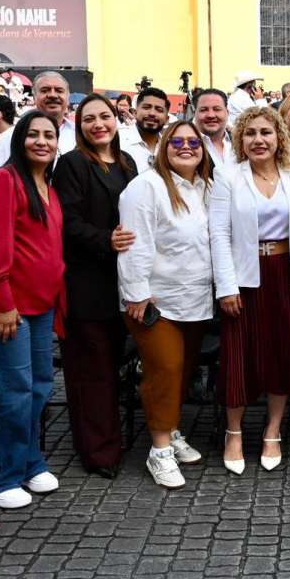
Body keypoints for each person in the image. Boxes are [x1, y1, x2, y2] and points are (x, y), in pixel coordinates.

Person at [211, 107, 290, 474]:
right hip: (244, 277)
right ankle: (234, 431)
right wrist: (226, 286)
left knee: (281, 353)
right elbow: (219, 235)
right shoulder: (227, 177)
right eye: (251, 133)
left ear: (279, 138)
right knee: (239, 355)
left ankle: (273, 431)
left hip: (285, 275)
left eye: (266, 133)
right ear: (241, 139)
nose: (259, 140)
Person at [0, 111, 65, 510]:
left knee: (39, 388)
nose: (42, 141)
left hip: (42, 306)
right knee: (12, 394)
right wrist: (3, 302)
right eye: (34, 135)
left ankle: (28, 461)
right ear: (19, 139)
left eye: (50, 135)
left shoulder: (48, 186)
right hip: (8, 308)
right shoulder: (3, 182)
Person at [118, 121, 213, 488]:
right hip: (155, 300)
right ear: (164, 147)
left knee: (183, 370)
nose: (186, 147)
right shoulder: (145, 187)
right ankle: (158, 451)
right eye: (178, 141)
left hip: (195, 297)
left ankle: (171, 430)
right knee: (165, 369)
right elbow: (133, 243)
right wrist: (136, 293)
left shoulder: (205, 187)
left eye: (193, 142)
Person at [51, 94, 138, 479]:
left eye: (104, 116)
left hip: (121, 280)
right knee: (92, 374)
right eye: (90, 119)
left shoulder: (125, 162)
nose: (98, 124)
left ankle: (110, 439)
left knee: (112, 367)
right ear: (79, 124)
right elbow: (67, 222)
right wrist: (106, 240)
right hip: (86, 282)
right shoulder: (72, 165)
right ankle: (98, 452)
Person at [121, 87, 170, 174]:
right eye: (146, 107)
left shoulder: (170, 147)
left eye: (159, 110)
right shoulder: (118, 141)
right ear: (135, 113)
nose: (152, 113)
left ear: (166, 119)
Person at [32, 71, 76, 154]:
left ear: (68, 98)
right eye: (45, 90)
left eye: (59, 91)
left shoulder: (80, 134)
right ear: (34, 97)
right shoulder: (12, 135)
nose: (53, 95)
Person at [195, 89, 236, 169]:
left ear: (227, 113)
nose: (211, 115)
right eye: (204, 110)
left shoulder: (241, 142)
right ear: (195, 113)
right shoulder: (186, 145)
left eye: (217, 109)